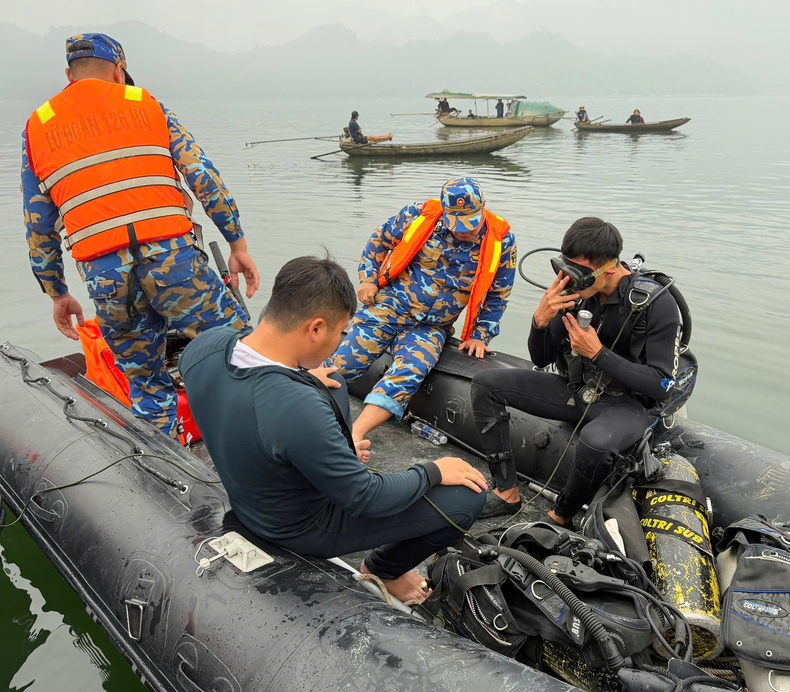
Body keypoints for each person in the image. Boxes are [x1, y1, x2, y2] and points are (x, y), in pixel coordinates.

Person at [178, 255, 488, 603]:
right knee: (467, 496)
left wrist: (311, 405)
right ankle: (384, 570)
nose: (341, 341)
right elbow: (365, 496)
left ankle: (330, 459)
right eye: (341, 332)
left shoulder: (204, 348)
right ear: (316, 328)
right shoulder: (296, 407)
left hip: (252, 491)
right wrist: (432, 471)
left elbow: (246, 404)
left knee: (333, 382)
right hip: (298, 527)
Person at [21, 33, 259, 437]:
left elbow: (36, 223)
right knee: (243, 353)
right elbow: (204, 178)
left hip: (105, 276)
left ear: (68, 75)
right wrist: (237, 243)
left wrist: (57, 292)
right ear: (119, 71)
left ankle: (169, 476)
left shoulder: (37, 128)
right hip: (174, 260)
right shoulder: (147, 105)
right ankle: (271, 445)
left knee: (147, 384)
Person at [470, 217, 683, 522]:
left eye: (578, 272)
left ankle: (561, 515)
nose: (567, 279)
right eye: (563, 267)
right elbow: (541, 358)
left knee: (594, 441)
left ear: (608, 266)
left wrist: (598, 353)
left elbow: (663, 385)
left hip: (628, 405)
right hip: (578, 390)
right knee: (486, 384)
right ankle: (507, 492)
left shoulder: (656, 305)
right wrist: (540, 322)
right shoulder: (576, 295)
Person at [328, 177, 516, 446]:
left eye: (470, 224)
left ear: (483, 206)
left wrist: (480, 335)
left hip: (431, 327)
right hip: (390, 305)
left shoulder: (502, 240)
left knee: (409, 373)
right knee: (342, 365)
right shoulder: (418, 216)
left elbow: (498, 295)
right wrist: (368, 279)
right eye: (457, 225)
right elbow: (378, 241)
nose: (465, 232)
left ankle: (354, 435)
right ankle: (306, 411)